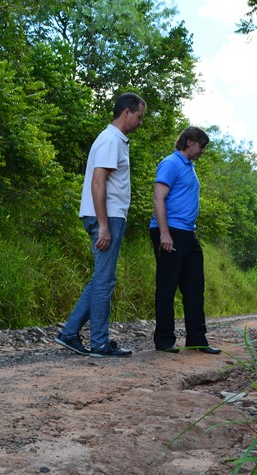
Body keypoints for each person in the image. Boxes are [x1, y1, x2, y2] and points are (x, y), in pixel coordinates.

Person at [55, 93, 146, 358]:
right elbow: (98, 183)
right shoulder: (110, 140)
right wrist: (104, 225)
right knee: (105, 281)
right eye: (139, 117)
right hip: (106, 216)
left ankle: (70, 333)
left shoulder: (114, 140)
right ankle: (99, 343)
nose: (141, 122)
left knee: (101, 279)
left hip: (107, 215)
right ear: (126, 112)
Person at [149, 126, 220, 354]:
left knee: (194, 286)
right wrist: (164, 233)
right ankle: (164, 340)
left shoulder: (190, 167)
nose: (202, 151)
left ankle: (197, 340)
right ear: (189, 142)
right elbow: (158, 198)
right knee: (167, 286)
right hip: (170, 231)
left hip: (188, 232)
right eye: (201, 146)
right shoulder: (171, 163)